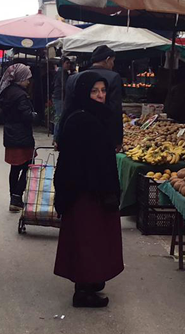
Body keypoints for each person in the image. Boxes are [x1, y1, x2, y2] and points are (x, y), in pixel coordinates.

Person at [53, 72, 124, 308]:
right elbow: (78, 162)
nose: (100, 95)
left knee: (94, 239)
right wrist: (101, 189)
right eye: (94, 91)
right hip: (85, 191)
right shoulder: (80, 119)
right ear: (83, 92)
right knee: (86, 240)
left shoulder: (97, 115)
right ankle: (82, 291)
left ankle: (91, 281)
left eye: (103, 90)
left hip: (95, 189)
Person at [61, 45, 123, 150]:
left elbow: (67, 108)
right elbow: (115, 110)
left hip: (74, 132)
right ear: (107, 60)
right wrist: (117, 139)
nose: (113, 65)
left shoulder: (73, 78)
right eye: (112, 61)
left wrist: (59, 137)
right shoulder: (113, 77)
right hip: (100, 133)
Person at [0, 63, 37, 212]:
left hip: (10, 134)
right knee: (28, 166)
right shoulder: (21, 95)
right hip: (22, 135)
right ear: (20, 78)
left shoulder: (6, 92)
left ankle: (12, 198)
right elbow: (26, 115)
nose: (28, 81)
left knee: (14, 168)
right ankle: (17, 196)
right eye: (27, 78)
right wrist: (34, 116)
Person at [52, 57, 71, 134]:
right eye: (67, 63)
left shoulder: (61, 72)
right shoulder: (62, 72)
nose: (69, 65)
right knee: (59, 117)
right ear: (63, 63)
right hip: (60, 97)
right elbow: (65, 85)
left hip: (59, 96)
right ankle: (56, 136)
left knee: (59, 117)